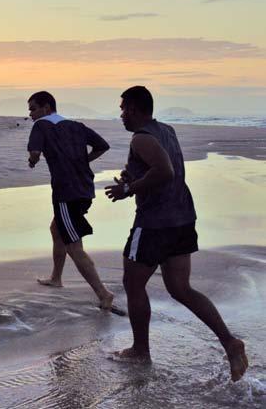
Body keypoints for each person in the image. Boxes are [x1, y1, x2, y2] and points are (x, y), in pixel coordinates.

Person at [105, 85, 248, 381]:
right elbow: (161, 170)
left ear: (133, 108)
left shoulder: (141, 138)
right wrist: (133, 178)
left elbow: (165, 171)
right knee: (181, 289)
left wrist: (128, 188)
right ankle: (230, 343)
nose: (120, 115)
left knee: (133, 284)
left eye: (122, 109)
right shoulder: (166, 130)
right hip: (182, 218)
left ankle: (140, 350)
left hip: (155, 224)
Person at [27, 91, 118, 312]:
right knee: (57, 229)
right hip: (84, 188)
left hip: (66, 192)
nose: (30, 114)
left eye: (33, 109)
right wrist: (81, 161)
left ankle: (103, 294)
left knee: (73, 245)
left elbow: (35, 152)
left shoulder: (41, 126)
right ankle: (56, 278)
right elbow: (102, 146)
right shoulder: (77, 126)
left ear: (46, 107)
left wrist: (33, 159)